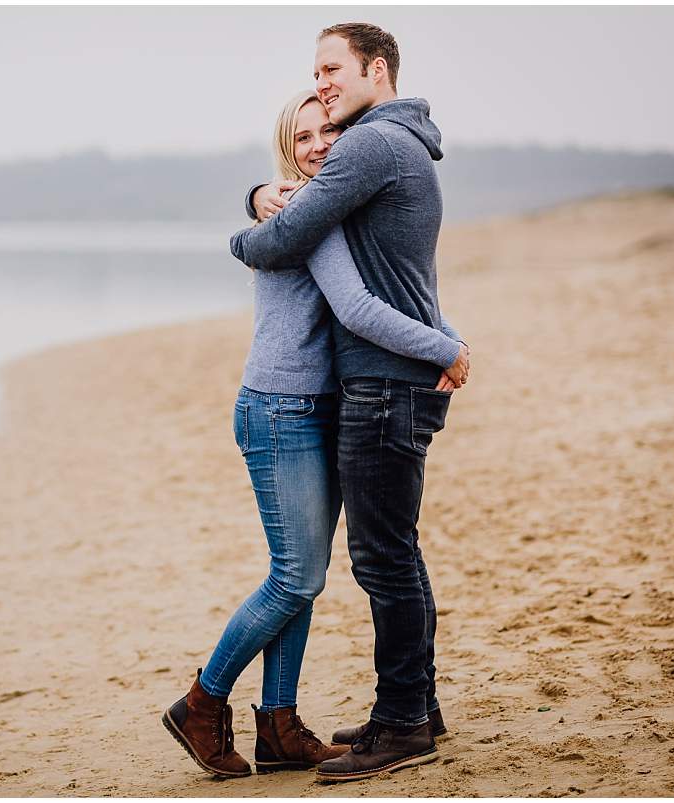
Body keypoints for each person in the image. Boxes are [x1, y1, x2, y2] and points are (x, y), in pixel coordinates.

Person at [162, 87, 468, 780]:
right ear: (285, 148)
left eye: (329, 129)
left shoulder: (330, 200)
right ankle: (202, 703)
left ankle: (279, 725)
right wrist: (446, 346)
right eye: (303, 137)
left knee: (302, 576)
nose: (320, 143)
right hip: (281, 407)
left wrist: (254, 201)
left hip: (319, 405)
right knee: (296, 575)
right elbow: (357, 307)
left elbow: (399, 283)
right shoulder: (311, 210)